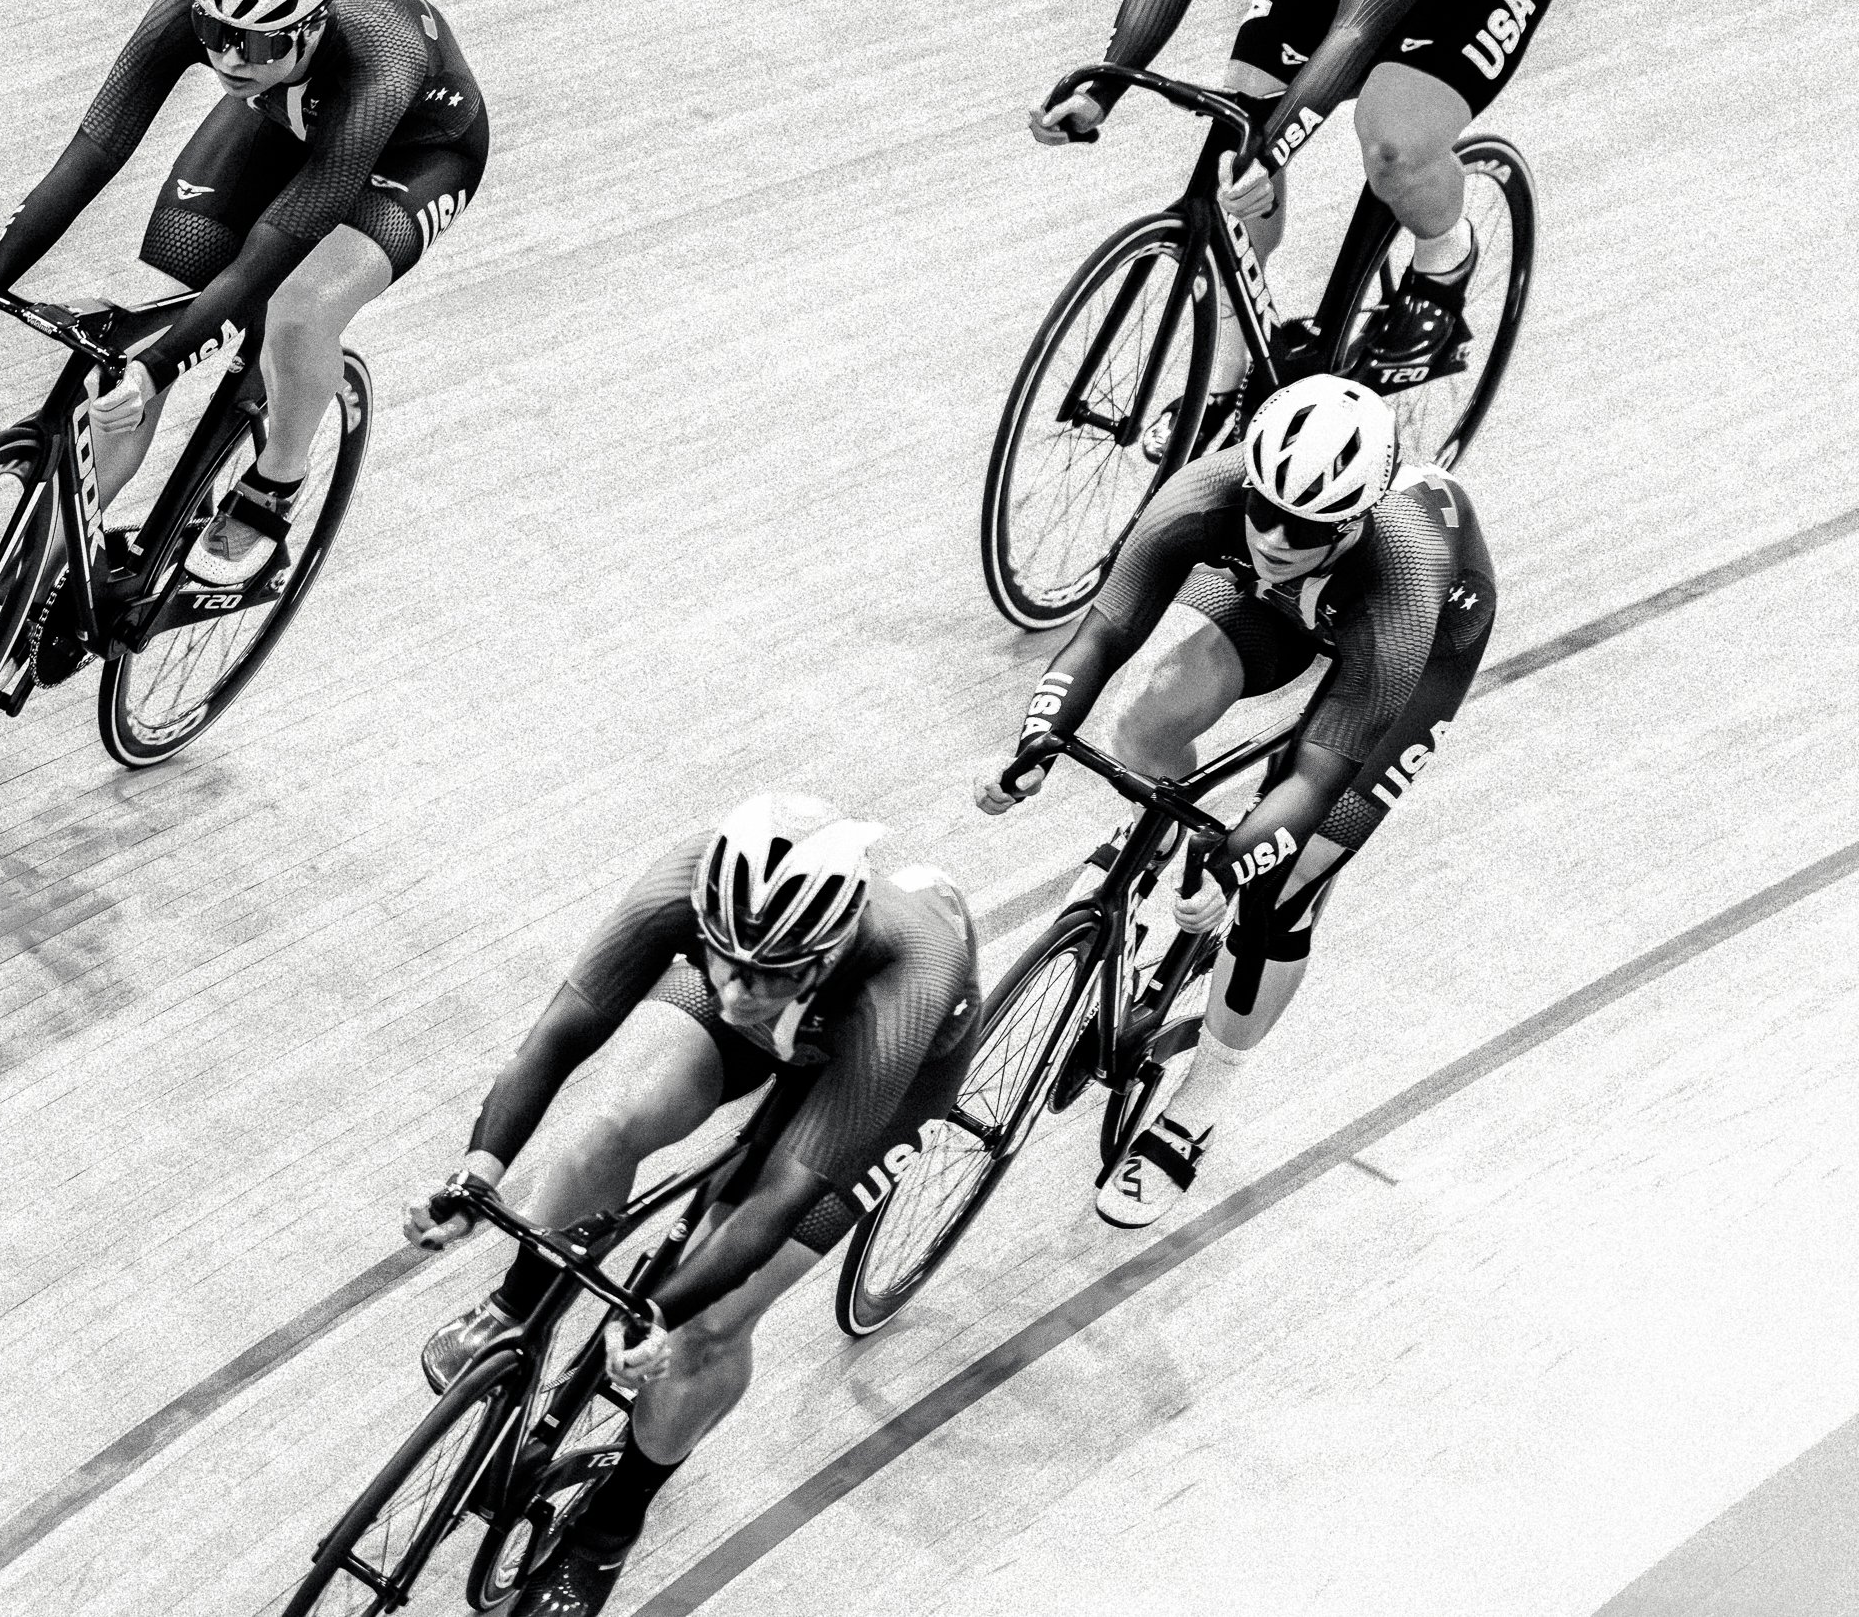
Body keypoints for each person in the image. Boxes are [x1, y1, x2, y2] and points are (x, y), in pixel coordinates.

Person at [404, 794, 980, 1616]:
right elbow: (561, 1033)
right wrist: (477, 1173)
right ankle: (516, 1308)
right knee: (610, 1125)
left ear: (825, 950)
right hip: (803, 1012)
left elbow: (780, 1199)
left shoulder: (906, 976)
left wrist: (658, 1311)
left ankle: (609, 1529)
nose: (738, 990)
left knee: (710, 1326)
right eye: (722, 957)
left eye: (767, 972)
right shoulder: (689, 886)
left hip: (884, 1066)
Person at [975, 374, 1493, 1227]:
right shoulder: (1208, 495)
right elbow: (1105, 630)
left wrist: (1238, 856)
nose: (1276, 537)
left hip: (1419, 637)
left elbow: (1317, 777)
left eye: (1306, 526)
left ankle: (1196, 1107)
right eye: (1264, 510)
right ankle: (1157, 863)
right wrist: (1035, 739)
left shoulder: (1404, 567)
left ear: (1355, 520)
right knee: (1151, 717)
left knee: (1280, 889)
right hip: (1302, 603)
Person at [0, 0, 486, 586]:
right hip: (284, 114)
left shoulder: (380, 58)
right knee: (143, 316)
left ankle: (275, 485)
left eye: (262, 44)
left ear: (317, 22)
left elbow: (266, 255)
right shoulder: (212, 21)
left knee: (297, 310)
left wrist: (156, 373)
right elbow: (97, 148)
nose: (231, 60)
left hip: (413, 158)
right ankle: (26, 588)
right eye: (216, 35)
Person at [1031, 0, 1563, 431]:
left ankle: (1445, 262)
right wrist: (1103, 91)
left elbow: (1360, 25)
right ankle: (1225, 381)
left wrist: (1272, 153)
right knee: (1247, 96)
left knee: (1394, 144)